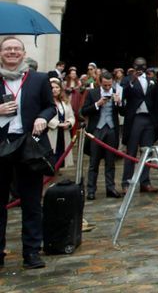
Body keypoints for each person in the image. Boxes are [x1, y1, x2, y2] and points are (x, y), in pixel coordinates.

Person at [0, 36, 54, 269]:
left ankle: (31, 252)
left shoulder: (38, 79)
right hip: (1, 144)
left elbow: (50, 106)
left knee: (32, 202)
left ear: (23, 53)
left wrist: (43, 117)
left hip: (28, 145)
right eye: (7, 49)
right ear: (1, 53)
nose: (12, 52)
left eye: (16, 49)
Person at [120, 57, 158, 193]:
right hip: (135, 118)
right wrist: (132, 80)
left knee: (147, 152)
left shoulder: (152, 81)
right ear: (133, 66)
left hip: (149, 119)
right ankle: (126, 182)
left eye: (143, 66)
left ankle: (145, 182)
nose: (140, 69)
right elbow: (123, 95)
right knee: (131, 151)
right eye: (138, 66)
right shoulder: (127, 80)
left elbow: (156, 101)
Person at [80, 71, 123, 200]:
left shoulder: (117, 91)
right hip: (97, 129)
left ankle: (110, 188)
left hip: (111, 129)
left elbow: (123, 112)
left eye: (109, 85)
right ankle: (91, 190)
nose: (108, 87)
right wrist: (97, 104)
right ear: (100, 82)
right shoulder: (92, 93)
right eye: (105, 85)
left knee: (110, 162)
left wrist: (119, 102)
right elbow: (84, 111)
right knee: (94, 162)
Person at [46, 78, 75, 168]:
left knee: (60, 161)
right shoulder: (45, 102)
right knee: (50, 162)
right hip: (51, 134)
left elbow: (72, 116)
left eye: (57, 87)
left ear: (60, 89)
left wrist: (69, 123)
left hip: (63, 134)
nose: (54, 89)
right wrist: (58, 124)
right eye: (52, 87)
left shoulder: (65, 102)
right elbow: (42, 116)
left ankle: (54, 181)